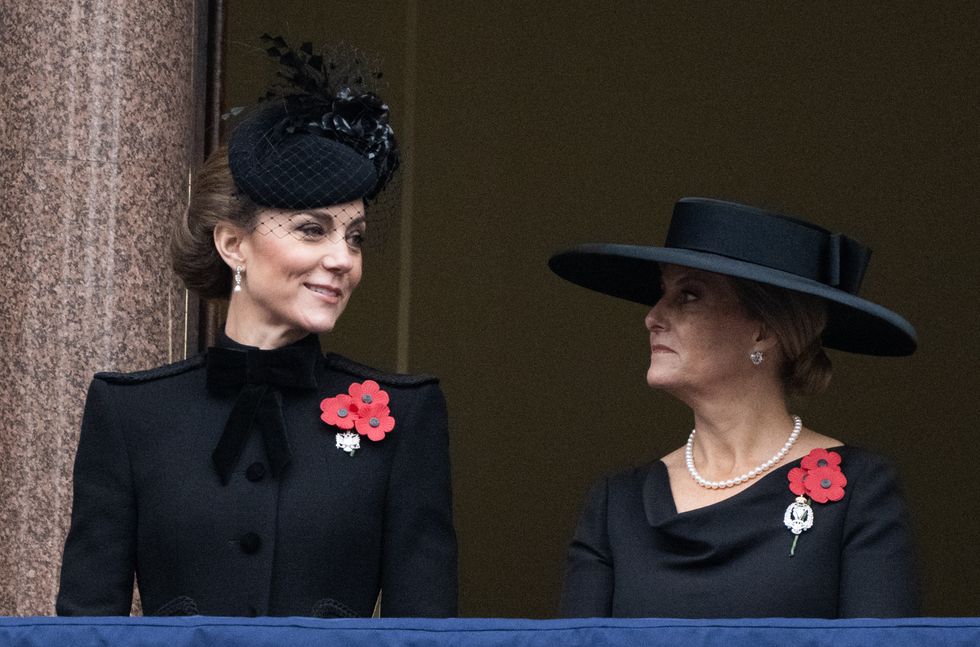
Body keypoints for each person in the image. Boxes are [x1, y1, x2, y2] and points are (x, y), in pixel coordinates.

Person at [56, 39, 457, 618]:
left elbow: (426, 632)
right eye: (312, 230)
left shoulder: (407, 417)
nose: (343, 259)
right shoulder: (130, 414)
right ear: (233, 244)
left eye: (355, 238)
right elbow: (87, 627)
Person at [549, 197, 919, 618]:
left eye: (689, 295)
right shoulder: (616, 505)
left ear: (763, 331)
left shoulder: (860, 489)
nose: (653, 316)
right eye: (662, 292)